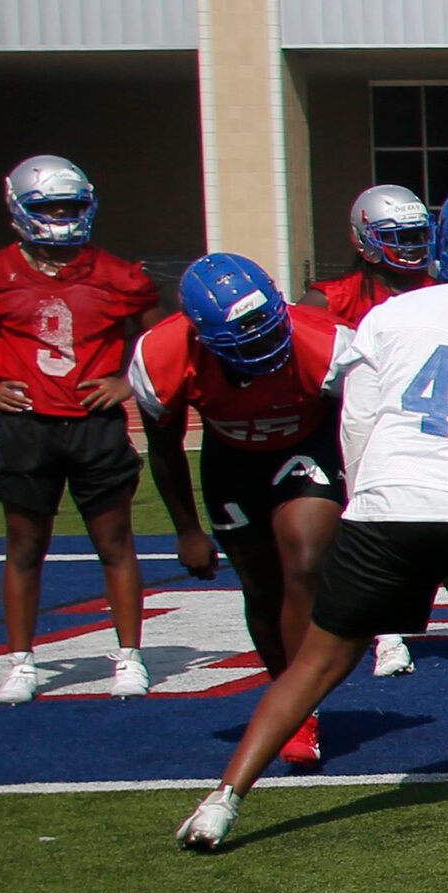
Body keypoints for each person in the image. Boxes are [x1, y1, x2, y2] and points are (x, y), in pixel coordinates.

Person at [174, 183, 448, 850]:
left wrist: (369, 497)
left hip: (388, 508)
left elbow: (356, 422)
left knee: (316, 664)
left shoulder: (391, 317)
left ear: (446, 247)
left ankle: (222, 801)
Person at [0, 156, 159, 706]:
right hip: (27, 427)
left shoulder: (117, 274)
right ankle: (21, 660)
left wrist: (127, 381)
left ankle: (129, 656)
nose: (61, 217)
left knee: (115, 542)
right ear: (20, 209)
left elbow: (162, 334)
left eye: (71, 206)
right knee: (24, 546)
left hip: (95, 424)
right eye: (49, 207)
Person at [134, 254, 354, 768]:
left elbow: (359, 426)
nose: (262, 345)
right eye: (245, 340)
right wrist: (186, 529)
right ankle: (289, 695)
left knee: (304, 562)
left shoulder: (326, 342)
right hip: (232, 459)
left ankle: (302, 706)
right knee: (259, 587)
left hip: (307, 445)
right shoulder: (161, 355)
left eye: (266, 329)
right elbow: (163, 447)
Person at [311, 184, 448, 679]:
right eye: (397, 236)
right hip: (360, 429)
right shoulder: (328, 299)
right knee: (372, 538)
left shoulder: (444, 292)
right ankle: (387, 634)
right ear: (364, 239)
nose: (411, 246)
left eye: (419, 234)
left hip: (429, 427)